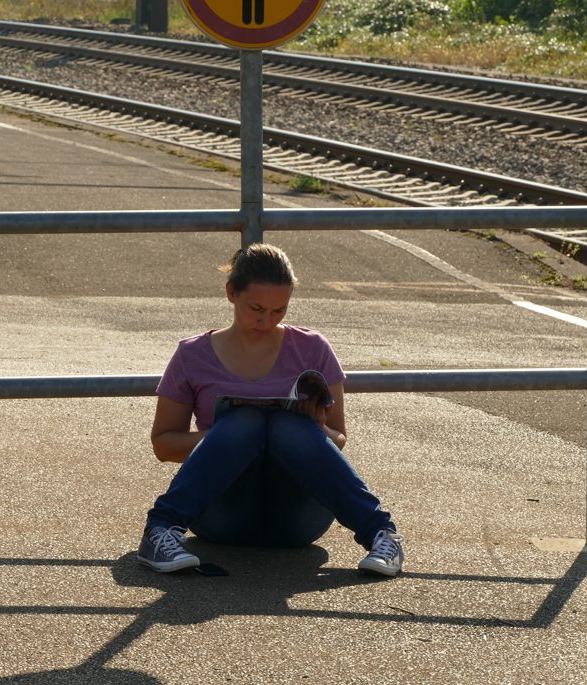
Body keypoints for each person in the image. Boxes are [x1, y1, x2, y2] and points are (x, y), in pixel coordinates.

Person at [137, 243, 403, 577]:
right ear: (231, 293)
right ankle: (161, 529)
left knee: (286, 426)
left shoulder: (313, 348)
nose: (266, 321)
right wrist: (227, 437)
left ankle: (382, 534)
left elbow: (339, 438)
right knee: (246, 423)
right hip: (221, 512)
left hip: (297, 518)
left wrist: (317, 428)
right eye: (257, 309)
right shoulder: (192, 354)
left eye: (279, 310)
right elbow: (163, 444)